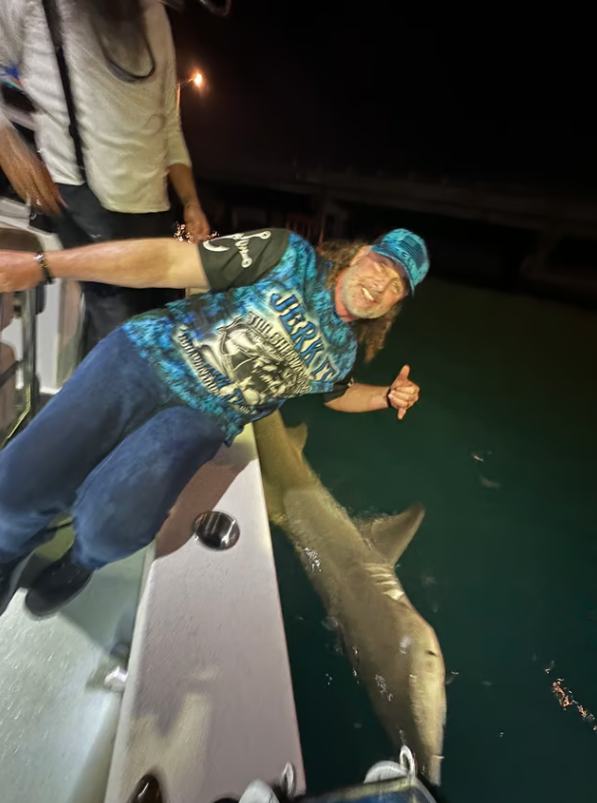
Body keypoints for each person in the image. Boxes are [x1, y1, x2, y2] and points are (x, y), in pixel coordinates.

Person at [0, 226, 428, 617]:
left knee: (119, 527)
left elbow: (335, 394)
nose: (381, 286)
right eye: (382, 266)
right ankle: (6, 550)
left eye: (396, 288)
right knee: (20, 484)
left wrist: (383, 397)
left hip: (200, 418)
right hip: (144, 358)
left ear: (395, 305)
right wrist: (46, 266)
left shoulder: (341, 356)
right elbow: (172, 262)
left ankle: (81, 561)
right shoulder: (287, 255)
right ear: (360, 254)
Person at [0, 0, 210, 355]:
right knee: (126, 349)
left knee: (161, 337)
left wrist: (190, 201)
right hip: (83, 201)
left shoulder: (153, 12)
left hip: (155, 209)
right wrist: (9, 147)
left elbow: (168, 123)